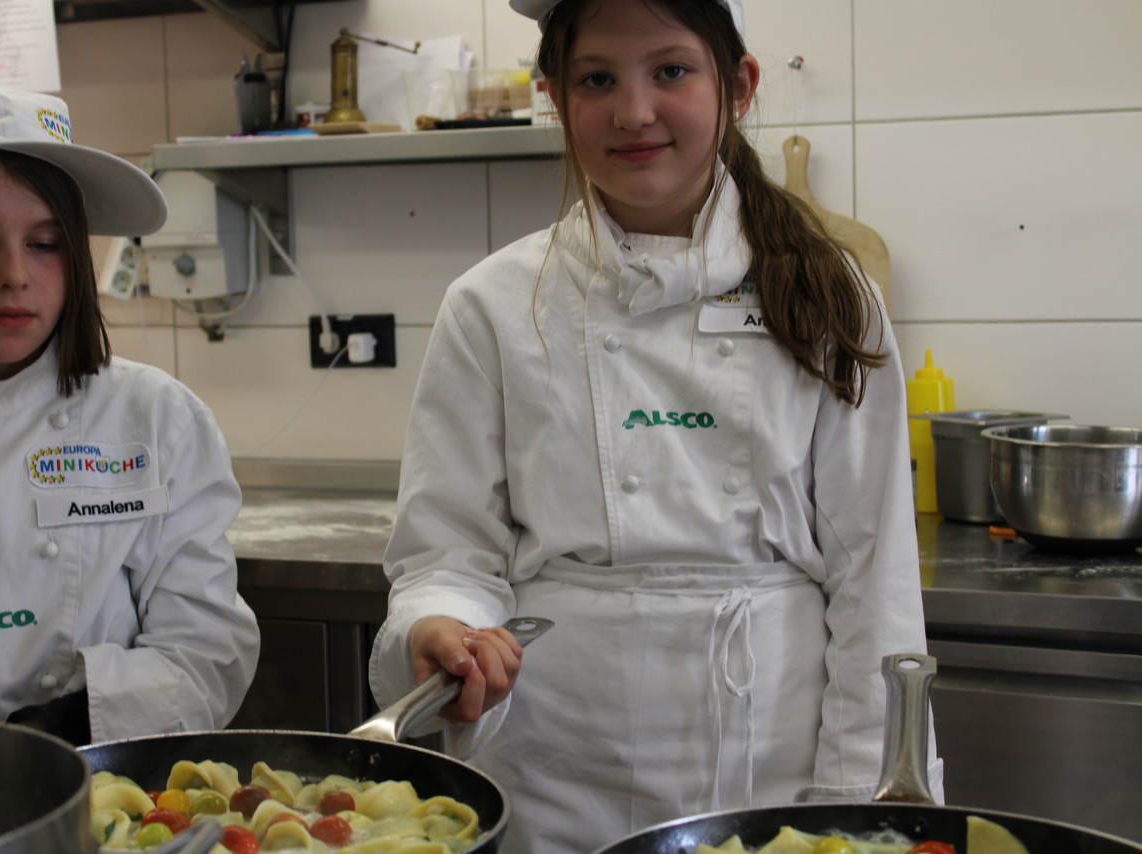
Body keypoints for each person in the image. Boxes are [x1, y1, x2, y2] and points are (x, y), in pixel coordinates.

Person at [367, 0, 944, 851]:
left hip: (773, 775)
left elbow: (875, 579)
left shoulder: (827, 295)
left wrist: (857, 807)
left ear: (737, 85)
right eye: (597, 79)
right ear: (556, 97)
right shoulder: (492, 305)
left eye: (670, 71)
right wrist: (440, 625)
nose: (633, 111)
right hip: (557, 774)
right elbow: (448, 552)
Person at [0, 84, 260, 746]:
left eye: (45, 243)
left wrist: (51, 729)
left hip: (95, 783)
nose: (14, 275)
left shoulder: (154, 418)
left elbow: (208, 653)